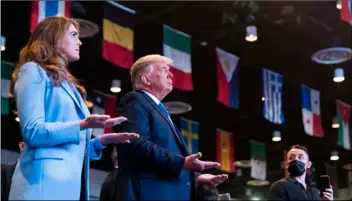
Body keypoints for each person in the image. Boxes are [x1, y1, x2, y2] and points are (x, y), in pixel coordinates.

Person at [8, 16, 139, 200]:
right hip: (42, 187)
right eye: (73, 35)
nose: (79, 42)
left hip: (68, 189)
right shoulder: (33, 71)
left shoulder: (69, 85)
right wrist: (81, 125)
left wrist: (101, 142)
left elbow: (71, 150)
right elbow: (32, 131)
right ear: (54, 37)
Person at [113, 54, 228, 200]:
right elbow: (134, 143)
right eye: (163, 70)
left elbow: (164, 158)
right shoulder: (135, 101)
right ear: (146, 79)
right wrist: (182, 163)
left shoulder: (159, 109)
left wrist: (195, 177)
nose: (171, 75)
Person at [269, 145, 334, 200]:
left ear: (308, 164)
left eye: (300, 157)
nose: (296, 159)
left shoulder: (314, 192)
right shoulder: (280, 186)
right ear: (286, 164)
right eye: (291, 157)